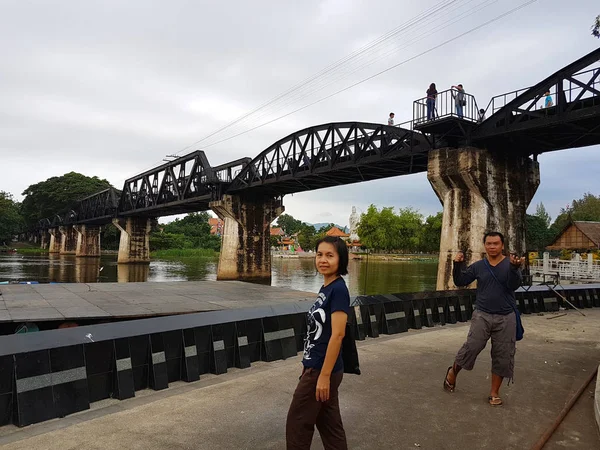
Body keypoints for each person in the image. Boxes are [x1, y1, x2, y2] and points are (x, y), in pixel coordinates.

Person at [443, 231, 525, 407]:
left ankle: (494, 392)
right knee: (471, 347)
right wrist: (457, 265)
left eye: (496, 243)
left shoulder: (510, 264)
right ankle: (453, 371)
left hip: (506, 316)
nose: (492, 247)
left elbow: (514, 285)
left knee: (503, 355)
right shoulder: (479, 266)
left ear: (502, 245)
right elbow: (460, 281)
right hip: (482, 314)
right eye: (489, 243)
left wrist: (515, 268)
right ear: (485, 246)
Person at [286, 236, 350, 449]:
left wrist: (323, 375)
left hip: (323, 369)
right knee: (329, 423)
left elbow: (338, 334)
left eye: (330, 255)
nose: (323, 260)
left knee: (297, 422)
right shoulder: (327, 288)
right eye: (320, 254)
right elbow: (318, 333)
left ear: (341, 260)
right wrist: (307, 363)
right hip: (316, 366)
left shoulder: (339, 290)